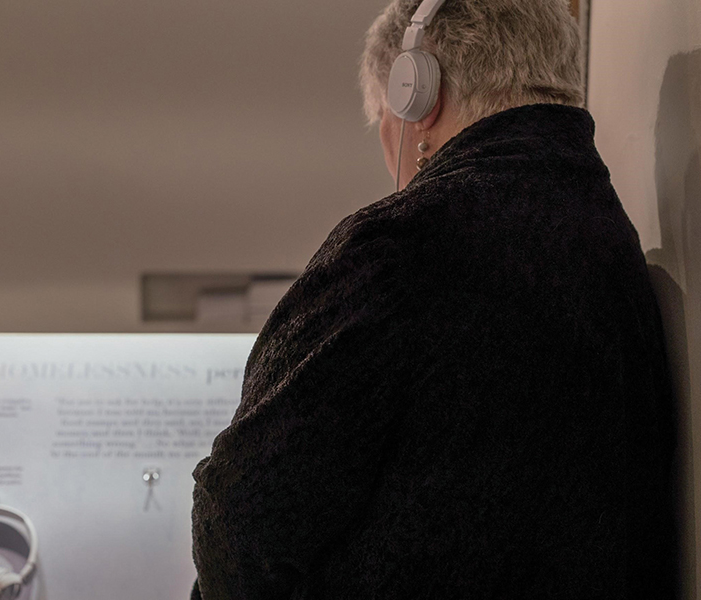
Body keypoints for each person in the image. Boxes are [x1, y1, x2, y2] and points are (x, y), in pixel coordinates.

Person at [190, 0, 679, 598]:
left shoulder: (400, 245)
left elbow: (244, 515)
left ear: (418, 94)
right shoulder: (611, 239)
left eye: (382, 119)